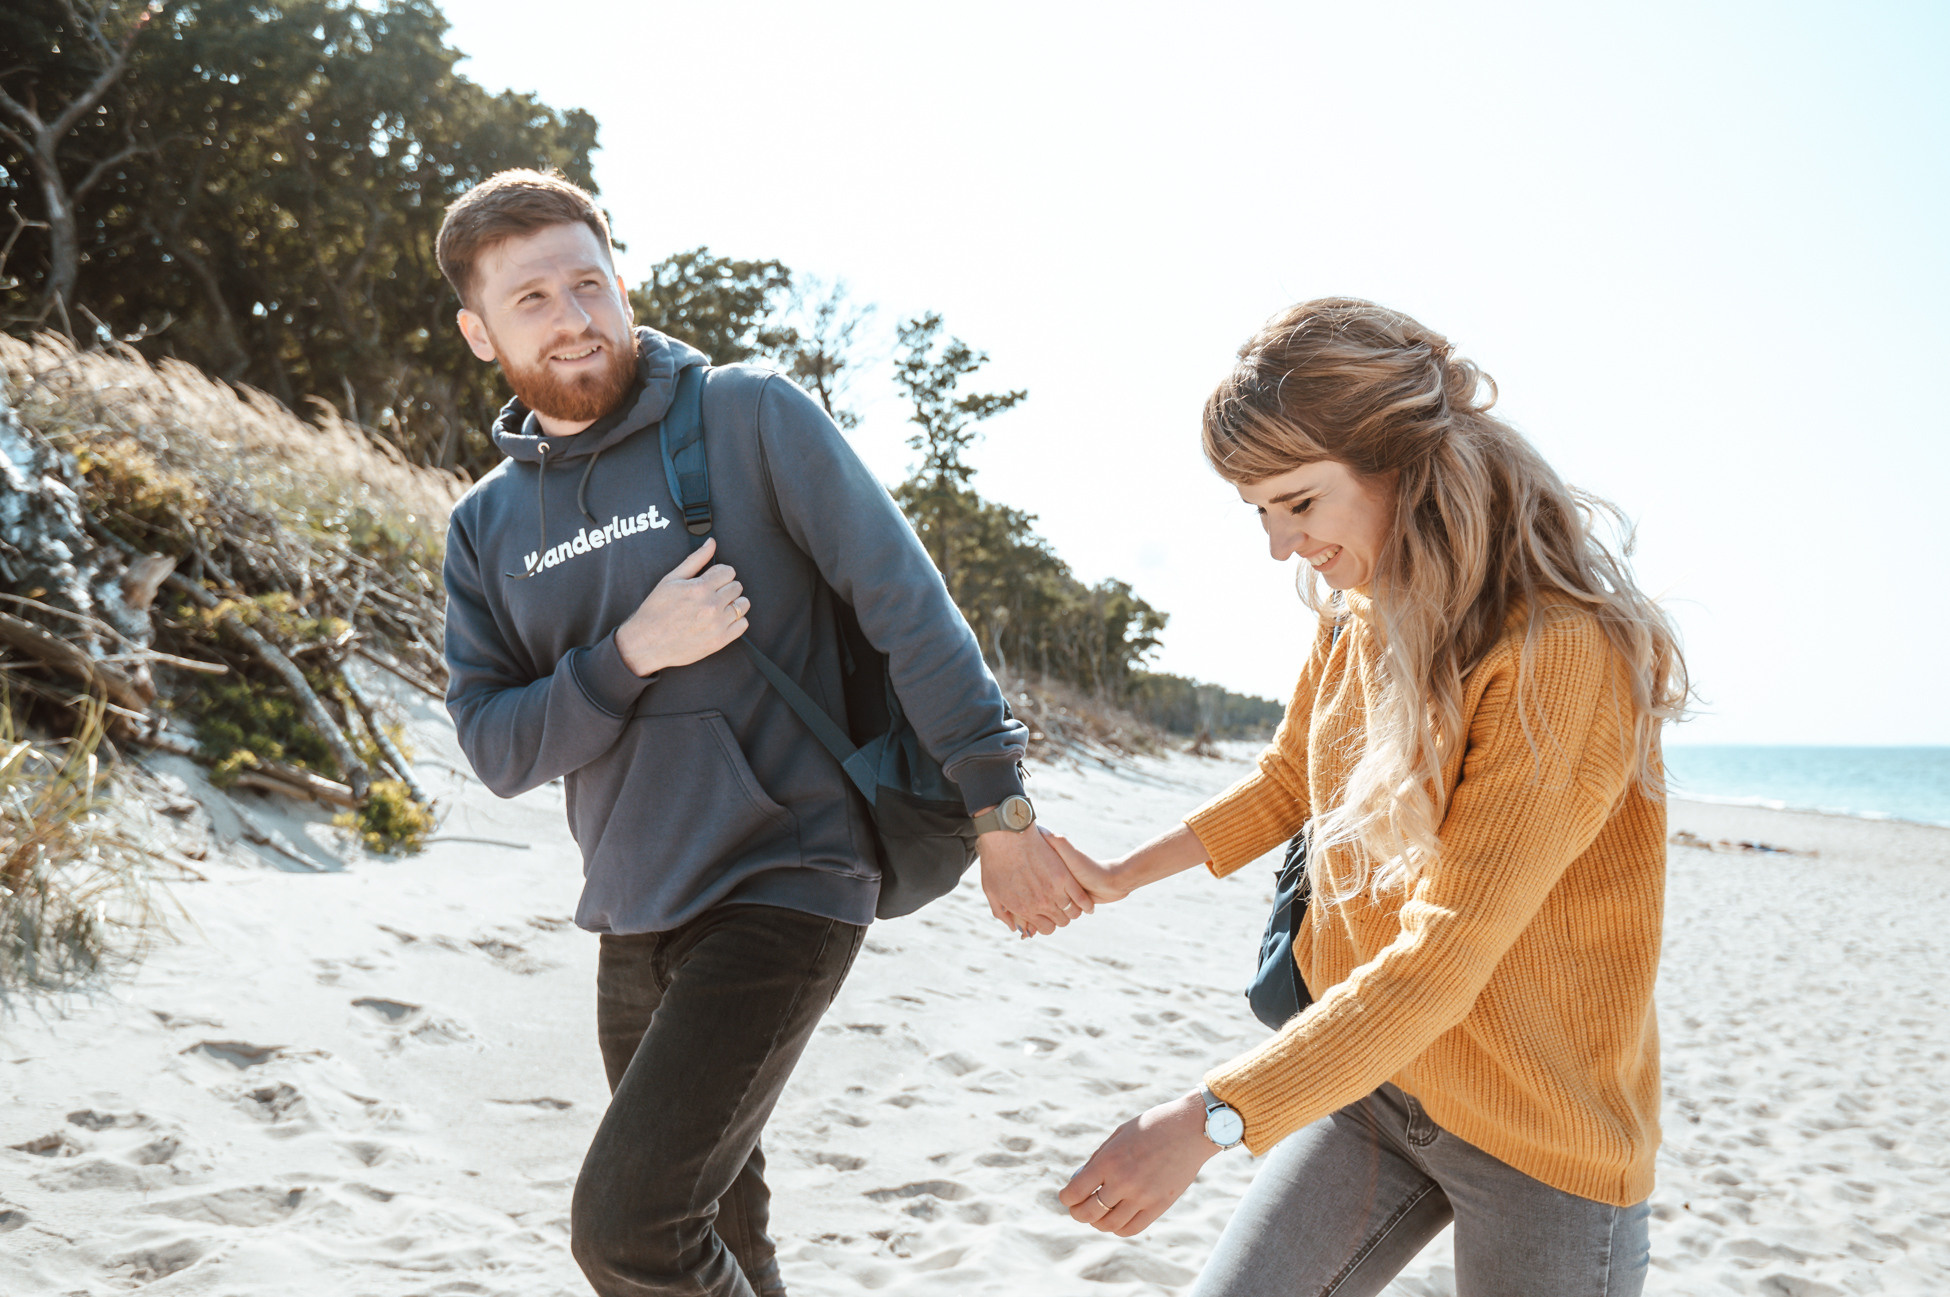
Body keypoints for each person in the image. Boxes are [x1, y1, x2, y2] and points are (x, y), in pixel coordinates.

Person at [433, 169, 1091, 1297]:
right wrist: (631, 652)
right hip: (633, 908)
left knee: (629, 1227)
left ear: (623, 285)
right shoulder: (486, 526)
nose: (575, 317)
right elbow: (496, 747)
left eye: (590, 283)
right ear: (479, 330)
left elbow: (911, 611)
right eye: (533, 299)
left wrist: (1002, 806)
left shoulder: (747, 415)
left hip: (790, 876)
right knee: (719, 1234)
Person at [1043, 298, 1687, 1296]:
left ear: (1402, 464)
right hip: (1376, 1088)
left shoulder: (1560, 653)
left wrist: (1208, 1120)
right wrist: (1124, 873)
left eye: (1299, 501)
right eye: (1259, 509)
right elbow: (1290, 781)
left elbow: (1442, 961)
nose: (1278, 544)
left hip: (1541, 1134)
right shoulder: (1357, 615)